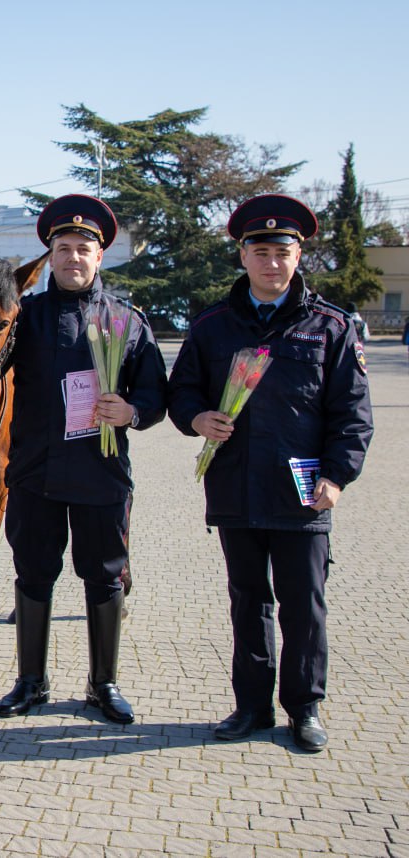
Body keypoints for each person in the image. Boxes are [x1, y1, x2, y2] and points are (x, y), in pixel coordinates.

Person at [168, 194, 373, 752]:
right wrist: (196, 416)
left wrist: (337, 476)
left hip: (302, 493)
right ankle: (252, 706)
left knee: (304, 604)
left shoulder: (328, 327)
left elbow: (352, 414)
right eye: (260, 251)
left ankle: (304, 708)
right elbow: (182, 389)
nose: (272, 262)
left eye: (283, 251)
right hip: (235, 487)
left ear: (299, 255)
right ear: (242, 256)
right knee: (248, 601)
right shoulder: (213, 326)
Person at [0, 194, 167, 725]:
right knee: (33, 574)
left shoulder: (127, 321)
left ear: (100, 257)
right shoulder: (24, 319)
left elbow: (158, 397)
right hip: (34, 473)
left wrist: (131, 411)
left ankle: (103, 684)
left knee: (105, 577)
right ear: (49, 257)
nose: (73, 257)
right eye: (62, 248)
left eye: (83, 249)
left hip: (101, 474)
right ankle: (31, 681)